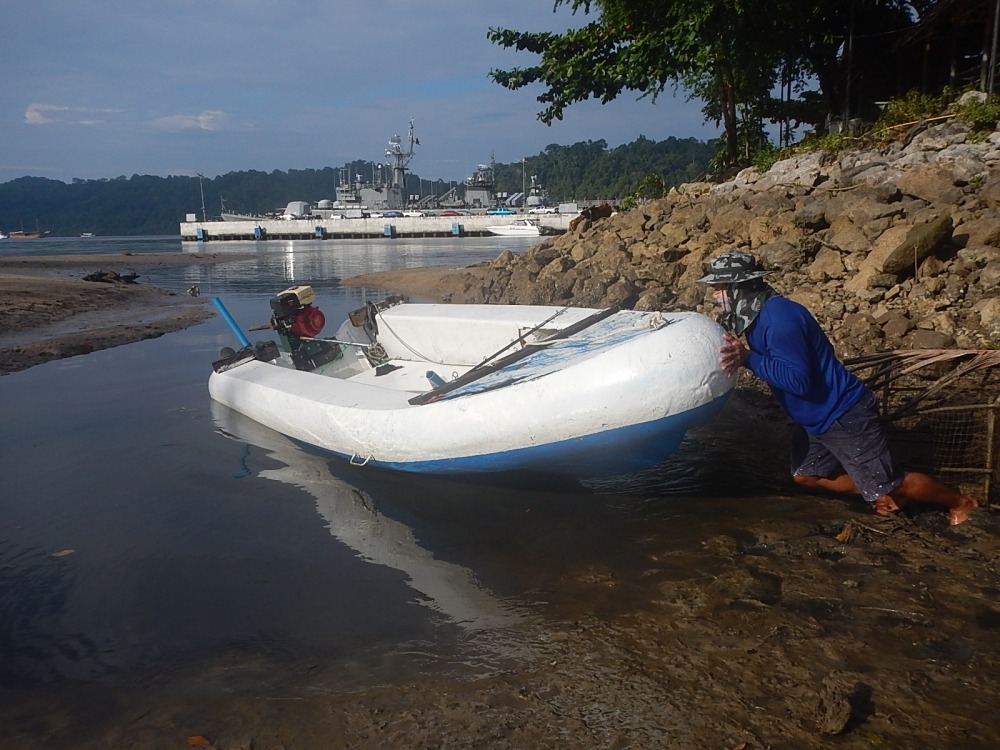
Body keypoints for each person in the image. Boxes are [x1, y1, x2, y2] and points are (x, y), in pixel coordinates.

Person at [697, 250, 978, 526]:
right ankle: (879, 492)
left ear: (739, 287)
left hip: (842, 412)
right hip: (814, 418)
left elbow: (799, 382)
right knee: (806, 475)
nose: (714, 294)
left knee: (892, 483)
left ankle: (960, 502)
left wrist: (748, 358)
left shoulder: (779, 319)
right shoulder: (757, 317)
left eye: (719, 287)